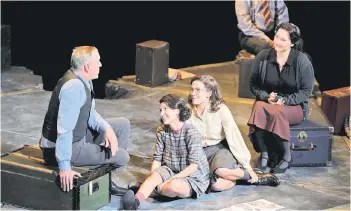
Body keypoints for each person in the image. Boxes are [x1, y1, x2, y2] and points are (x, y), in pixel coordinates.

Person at [39, 46, 131, 195]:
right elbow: (64, 129)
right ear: (87, 66)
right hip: (64, 147)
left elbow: (91, 114)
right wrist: (64, 167)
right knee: (122, 157)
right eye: (98, 61)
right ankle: (106, 180)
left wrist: (107, 129)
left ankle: (108, 180)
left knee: (122, 125)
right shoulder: (74, 87)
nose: (101, 64)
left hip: (77, 136)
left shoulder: (84, 80)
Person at [187, 75, 280, 193]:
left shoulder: (221, 109)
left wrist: (247, 167)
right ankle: (240, 178)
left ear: (209, 93)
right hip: (198, 151)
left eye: (197, 90)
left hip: (218, 149)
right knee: (217, 186)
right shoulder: (187, 111)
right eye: (192, 89)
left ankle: (255, 177)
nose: (193, 93)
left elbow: (234, 138)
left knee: (221, 171)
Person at [247, 22, 315, 174]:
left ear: (293, 42)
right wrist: (265, 96)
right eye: (277, 37)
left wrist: (285, 101)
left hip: (294, 106)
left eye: (283, 39)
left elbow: (306, 91)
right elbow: (253, 84)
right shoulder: (263, 57)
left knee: (276, 111)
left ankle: (286, 155)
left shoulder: (302, 62)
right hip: (267, 102)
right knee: (258, 106)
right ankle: (264, 153)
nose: (277, 41)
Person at [122, 94, 210, 210]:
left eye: (165, 109)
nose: (161, 114)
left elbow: (193, 166)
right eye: (160, 110)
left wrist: (170, 180)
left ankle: (151, 190)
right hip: (170, 168)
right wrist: (153, 177)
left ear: (177, 111)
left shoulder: (191, 133)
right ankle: (135, 202)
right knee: (154, 178)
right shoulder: (162, 130)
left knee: (174, 187)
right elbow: (157, 159)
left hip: (192, 175)